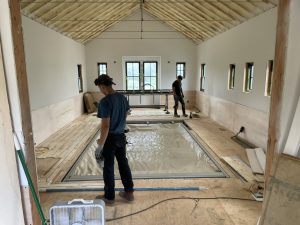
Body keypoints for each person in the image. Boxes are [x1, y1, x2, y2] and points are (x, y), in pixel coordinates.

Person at [94, 74, 134, 204]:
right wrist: (122, 124)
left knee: (108, 167)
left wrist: (100, 145)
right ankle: (129, 192)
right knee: (123, 163)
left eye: (100, 88)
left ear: (103, 86)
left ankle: (109, 197)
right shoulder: (122, 97)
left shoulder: (105, 102)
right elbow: (126, 113)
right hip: (121, 136)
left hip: (110, 139)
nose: (100, 91)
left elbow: (105, 126)